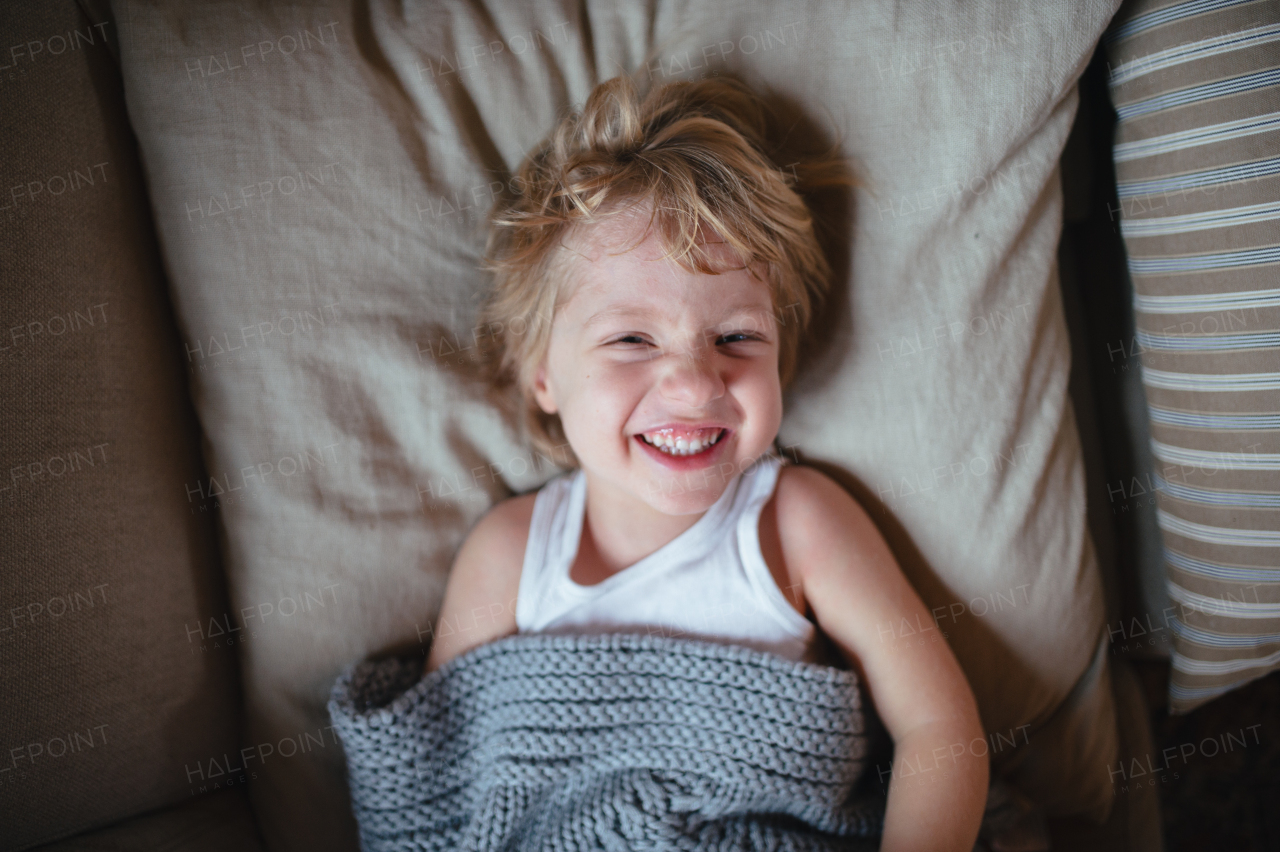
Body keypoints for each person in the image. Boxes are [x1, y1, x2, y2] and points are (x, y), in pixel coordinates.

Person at [424, 71, 988, 852]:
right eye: (632, 340)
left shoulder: (796, 524)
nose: (694, 384)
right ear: (542, 374)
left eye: (736, 338)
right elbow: (445, 788)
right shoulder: (510, 556)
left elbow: (938, 729)